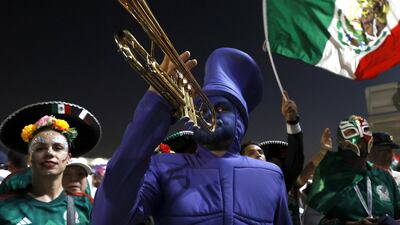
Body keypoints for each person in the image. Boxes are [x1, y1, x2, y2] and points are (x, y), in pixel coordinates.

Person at [92, 48, 292, 225]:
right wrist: (155, 108)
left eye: (221, 108)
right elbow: (108, 218)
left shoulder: (272, 175)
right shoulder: (163, 168)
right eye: (201, 108)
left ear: (239, 120)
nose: (208, 114)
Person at [0, 101, 101, 225]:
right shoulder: (4, 208)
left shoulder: (85, 205)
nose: (49, 153)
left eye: (58, 148)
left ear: (68, 158)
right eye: (40, 148)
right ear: (29, 158)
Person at [304, 115, 400, 225]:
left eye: (365, 130)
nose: (361, 135)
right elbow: (310, 220)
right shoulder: (328, 177)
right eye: (351, 131)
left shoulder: (383, 176)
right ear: (341, 142)